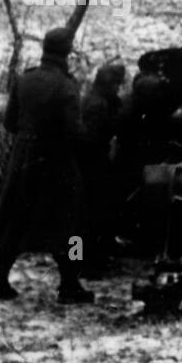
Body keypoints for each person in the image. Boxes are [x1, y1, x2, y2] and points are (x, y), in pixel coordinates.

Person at [0, 27, 94, 304]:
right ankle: (70, 284)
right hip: (56, 163)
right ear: (67, 54)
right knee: (71, 225)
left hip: (23, 160)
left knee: (16, 221)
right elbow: (73, 132)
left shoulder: (25, 79)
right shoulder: (66, 86)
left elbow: (10, 123)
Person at [79, 61, 127, 273]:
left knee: (92, 216)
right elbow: (93, 139)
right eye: (116, 85)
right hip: (91, 164)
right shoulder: (97, 105)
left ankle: (86, 259)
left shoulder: (99, 100)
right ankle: (85, 263)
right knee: (89, 218)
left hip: (92, 163)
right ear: (109, 85)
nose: (119, 89)